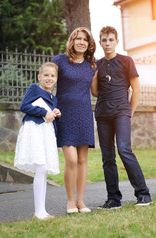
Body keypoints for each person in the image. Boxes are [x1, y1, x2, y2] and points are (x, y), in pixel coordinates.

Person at [91, 26, 152, 209]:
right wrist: (93, 71)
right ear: (100, 42)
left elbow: (137, 88)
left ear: (117, 41)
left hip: (121, 112)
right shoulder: (98, 64)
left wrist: (130, 111)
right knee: (107, 156)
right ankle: (113, 199)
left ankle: (143, 194)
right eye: (104, 40)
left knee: (124, 149)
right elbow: (95, 92)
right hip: (102, 114)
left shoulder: (126, 61)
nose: (107, 43)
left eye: (110, 39)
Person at [52, 27, 97, 214]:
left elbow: (95, 92)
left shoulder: (92, 65)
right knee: (71, 159)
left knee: (82, 160)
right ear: (72, 41)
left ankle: (81, 202)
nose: (81, 42)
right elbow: (47, 82)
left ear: (89, 44)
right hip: (65, 114)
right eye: (78, 38)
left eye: (85, 40)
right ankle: (70, 202)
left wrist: (120, 88)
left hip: (85, 114)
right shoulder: (59, 61)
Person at [14, 62, 61, 220]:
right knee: (40, 167)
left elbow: (50, 116)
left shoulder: (53, 97)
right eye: (46, 75)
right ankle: (38, 211)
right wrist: (43, 111)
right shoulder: (34, 88)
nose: (49, 78)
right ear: (39, 77)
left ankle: (42, 211)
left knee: (44, 169)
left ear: (56, 78)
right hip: (34, 130)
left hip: (46, 134)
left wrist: (55, 112)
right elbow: (24, 106)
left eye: (52, 76)